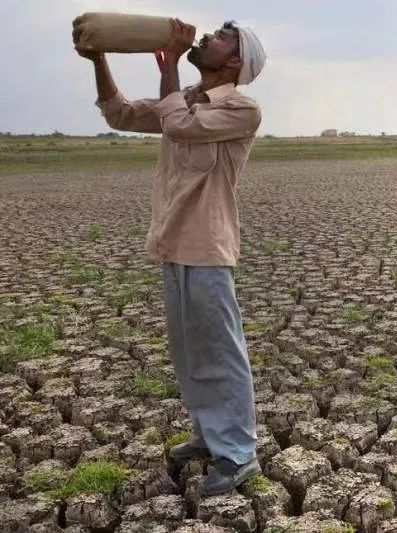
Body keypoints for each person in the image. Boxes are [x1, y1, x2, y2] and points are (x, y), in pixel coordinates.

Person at [73, 17, 267, 496]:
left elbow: (178, 126)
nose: (207, 37)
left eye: (221, 37)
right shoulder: (186, 99)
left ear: (236, 60)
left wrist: (171, 67)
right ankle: (207, 435)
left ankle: (239, 454)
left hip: (207, 245)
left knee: (220, 349)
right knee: (188, 350)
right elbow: (120, 114)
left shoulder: (241, 109)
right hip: (174, 242)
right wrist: (99, 59)